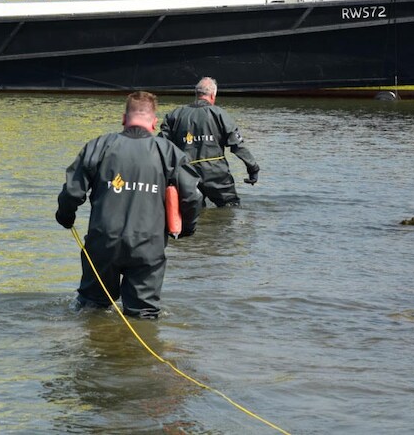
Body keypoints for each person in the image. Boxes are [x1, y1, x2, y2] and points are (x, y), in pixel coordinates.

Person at [55, 91, 202, 319]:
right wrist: (187, 228)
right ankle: (136, 352)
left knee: (91, 308)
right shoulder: (169, 153)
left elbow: (72, 192)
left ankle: (90, 352)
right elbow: (192, 197)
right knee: (143, 315)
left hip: (103, 242)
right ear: (154, 123)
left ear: (124, 119)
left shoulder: (99, 146)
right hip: (148, 247)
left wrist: (65, 216)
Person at [160, 77, 260, 208]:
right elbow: (237, 145)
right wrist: (253, 168)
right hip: (217, 175)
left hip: (186, 175)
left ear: (196, 94)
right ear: (213, 95)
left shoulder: (174, 115)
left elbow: (161, 146)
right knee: (231, 209)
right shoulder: (220, 114)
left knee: (194, 213)